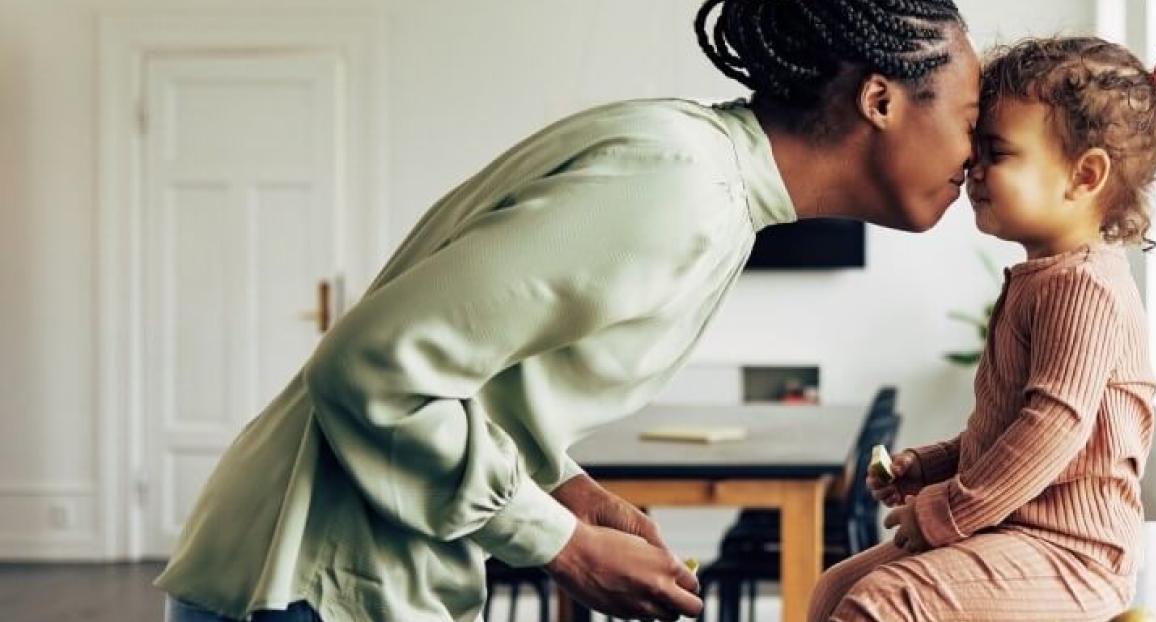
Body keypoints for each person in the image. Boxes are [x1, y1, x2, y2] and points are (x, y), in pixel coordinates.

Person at [156, 1, 981, 620]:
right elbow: (372, 368)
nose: (976, 156)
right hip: (305, 582)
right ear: (881, 100)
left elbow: (476, 376)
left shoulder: (710, 184)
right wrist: (562, 546)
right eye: (971, 121)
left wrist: (568, 491)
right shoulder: (681, 188)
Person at [806, 37, 1156, 621]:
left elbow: (1051, 429)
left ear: (1085, 175)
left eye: (997, 152)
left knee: (882, 603)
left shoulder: (1085, 289)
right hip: (1013, 533)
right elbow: (1008, 428)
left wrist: (950, 510)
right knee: (836, 589)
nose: (973, 169)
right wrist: (934, 466)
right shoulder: (1041, 280)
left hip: (1072, 556)